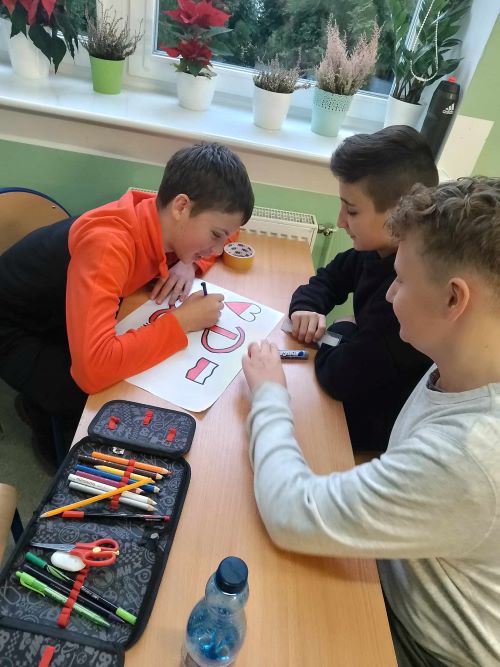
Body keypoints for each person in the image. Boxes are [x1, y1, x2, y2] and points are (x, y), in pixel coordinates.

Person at [242, 177, 500, 666]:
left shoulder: (470, 453)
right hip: (396, 568)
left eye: (400, 280)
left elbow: (290, 511)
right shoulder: (458, 362)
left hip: (424, 648)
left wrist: (269, 395)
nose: (388, 295)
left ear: (453, 299)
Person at [0, 142, 254, 464]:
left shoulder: (161, 215)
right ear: (181, 207)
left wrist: (190, 262)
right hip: (15, 326)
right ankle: (38, 414)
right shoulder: (109, 245)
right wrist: (181, 322)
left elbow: (232, 232)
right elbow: (92, 370)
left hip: (60, 307)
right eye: (215, 235)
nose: (219, 247)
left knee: (130, 366)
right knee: (93, 399)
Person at [289, 126, 438, 452]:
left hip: (373, 425)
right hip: (355, 381)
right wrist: (306, 307)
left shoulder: (408, 296)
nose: (340, 221)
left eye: (352, 210)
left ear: (400, 214)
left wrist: (341, 328)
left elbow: (340, 376)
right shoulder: (373, 251)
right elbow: (328, 279)